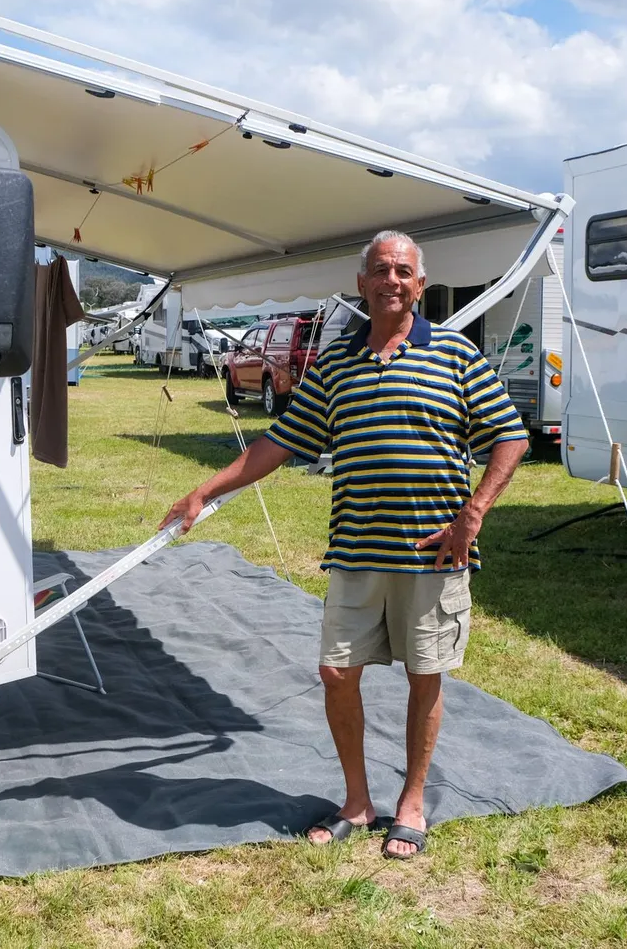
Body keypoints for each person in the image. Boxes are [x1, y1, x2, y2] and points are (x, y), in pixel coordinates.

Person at [161, 229, 530, 860]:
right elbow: (277, 445)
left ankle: (411, 803)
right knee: (336, 673)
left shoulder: (456, 356)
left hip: (432, 552)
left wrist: (473, 516)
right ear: (361, 283)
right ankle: (357, 802)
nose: (392, 280)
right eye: (381, 270)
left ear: (421, 283)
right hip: (357, 550)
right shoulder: (334, 365)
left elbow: (511, 438)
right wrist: (205, 491)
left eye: (404, 271)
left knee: (426, 677)